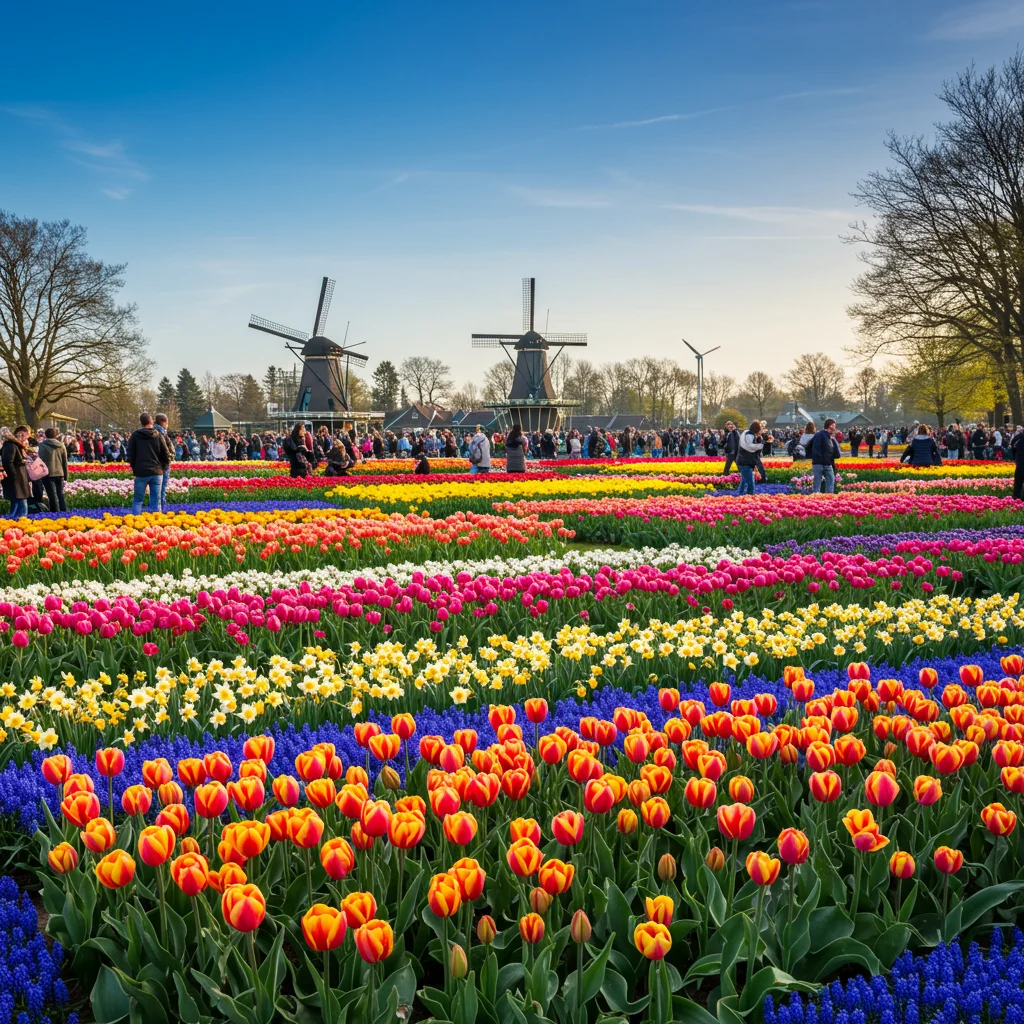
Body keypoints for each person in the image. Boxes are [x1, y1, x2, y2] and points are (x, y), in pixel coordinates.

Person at [126, 413, 169, 515]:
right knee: (156, 501)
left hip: (141, 472)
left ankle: (136, 521)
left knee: (138, 500)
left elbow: (130, 454)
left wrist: (135, 468)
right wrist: (163, 468)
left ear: (141, 423)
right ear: (151, 422)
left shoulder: (135, 435)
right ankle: (156, 524)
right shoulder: (158, 435)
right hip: (157, 472)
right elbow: (166, 454)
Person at [37, 428, 69, 513]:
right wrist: (65, 475)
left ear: (45, 435)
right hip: (60, 473)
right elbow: (65, 461)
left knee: (52, 495)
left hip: (48, 473)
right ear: (56, 435)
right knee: (60, 494)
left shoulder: (42, 445)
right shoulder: (61, 445)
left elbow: (40, 460)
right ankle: (64, 511)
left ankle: (55, 513)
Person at [0, 426, 29, 518]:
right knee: (20, 501)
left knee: (17, 501)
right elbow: (8, 462)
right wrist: (13, 476)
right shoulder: (11, 445)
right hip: (16, 477)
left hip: (17, 476)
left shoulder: (11, 445)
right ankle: (20, 522)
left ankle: (14, 522)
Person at [810, 418, 840, 494]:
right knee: (818, 481)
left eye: (834, 426)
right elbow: (816, 449)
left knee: (830, 479)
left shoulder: (830, 437)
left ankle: (828, 497)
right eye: (833, 425)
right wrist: (821, 460)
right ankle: (818, 497)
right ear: (829, 426)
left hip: (826, 463)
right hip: (820, 463)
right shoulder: (820, 435)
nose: (834, 428)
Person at [153, 413, 175, 513]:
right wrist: (169, 459)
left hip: (151, 466)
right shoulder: (162, 434)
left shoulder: (150, 432)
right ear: (164, 422)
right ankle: (160, 513)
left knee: (155, 492)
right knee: (161, 492)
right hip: (162, 466)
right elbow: (168, 452)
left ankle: (154, 512)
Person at [735, 421, 763, 495]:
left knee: (744, 480)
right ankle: (750, 495)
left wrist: (759, 438)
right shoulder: (749, 436)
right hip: (744, 461)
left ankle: (740, 494)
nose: (761, 430)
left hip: (745, 461)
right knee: (750, 481)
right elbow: (751, 447)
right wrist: (760, 445)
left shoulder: (749, 434)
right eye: (760, 428)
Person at [1011, 427, 1024, 500]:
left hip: (1020, 462)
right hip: (1020, 461)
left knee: (1018, 482)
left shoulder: (1018, 437)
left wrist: (1015, 458)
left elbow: (1012, 447)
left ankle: (1016, 499)